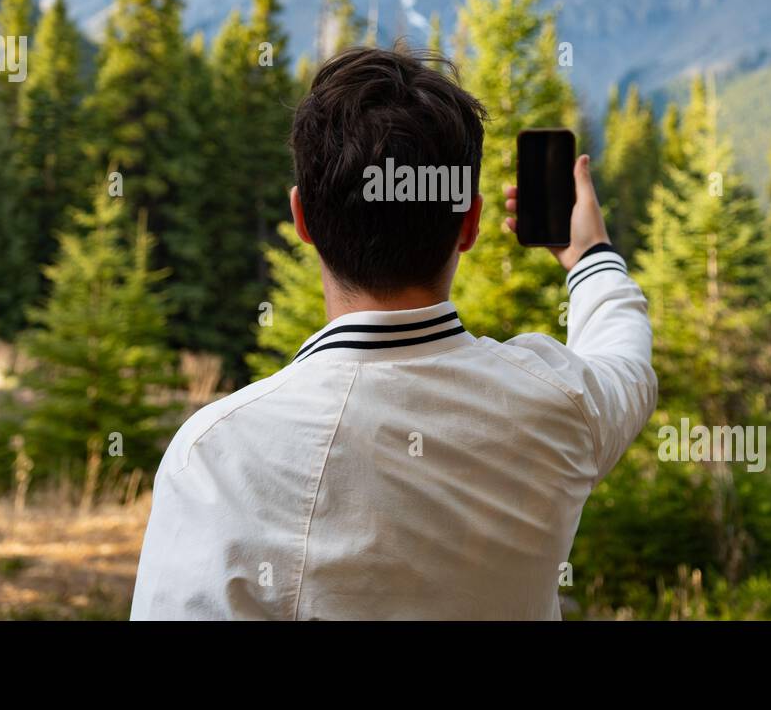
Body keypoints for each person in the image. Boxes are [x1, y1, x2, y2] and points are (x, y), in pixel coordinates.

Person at [131, 46, 656, 619]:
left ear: (302, 217)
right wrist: (590, 257)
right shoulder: (560, 403)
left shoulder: (217, 456)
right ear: (470, 224)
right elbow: (626, 363)